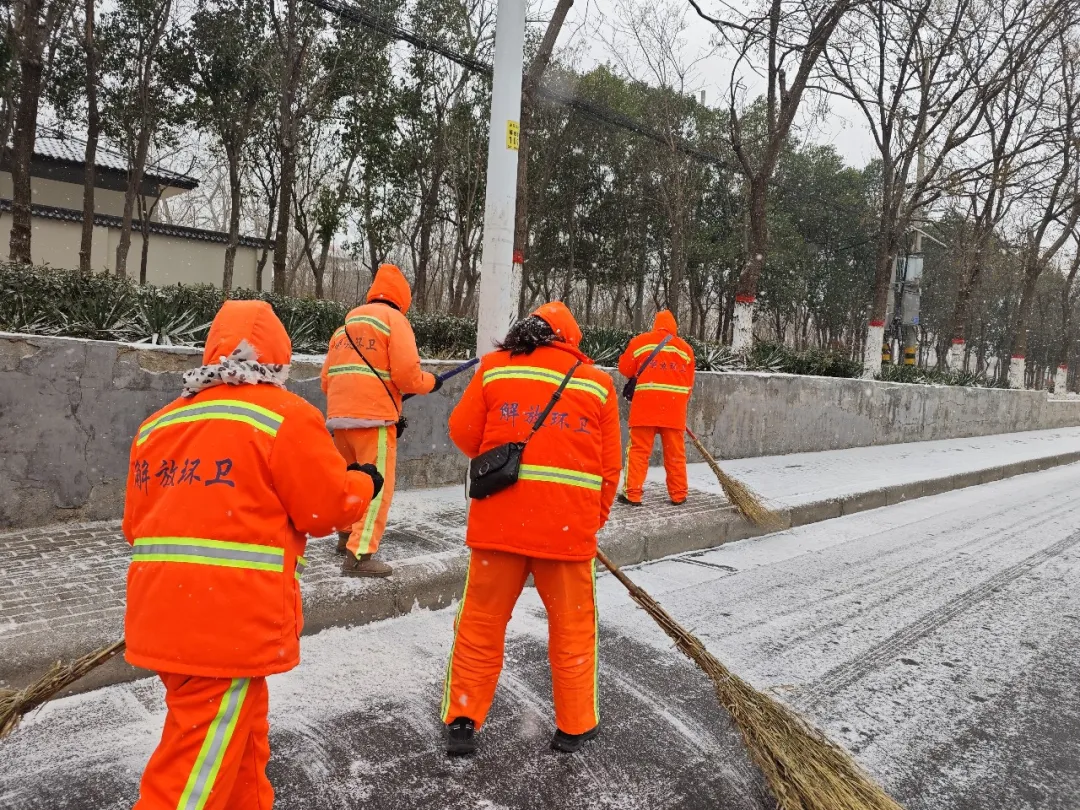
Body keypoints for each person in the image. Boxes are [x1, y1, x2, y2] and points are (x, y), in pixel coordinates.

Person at [123, 300, 382, 810]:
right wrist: (363, 482)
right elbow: (324, 507)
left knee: (240, 747)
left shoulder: (159, 424)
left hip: (164, 613)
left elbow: (136, 525)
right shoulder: (282, 416)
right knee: (190, 779)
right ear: (279, 359)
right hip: (228, 624)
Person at [441, 302, 622, 756]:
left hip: (497, 527)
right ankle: (574, 726)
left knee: (481, 623)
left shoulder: (494, 369)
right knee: (572, 630)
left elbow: (462, 433)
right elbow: (609, 470)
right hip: (566, 535)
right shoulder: (596, 384)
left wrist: (503, 443)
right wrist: (589, 523)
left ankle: (463, 719)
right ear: (568, 341)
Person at [320, 263, 440, 578]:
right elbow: (408, 376)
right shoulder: (394, 321)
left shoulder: (343, 326)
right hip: (373, 422)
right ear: (402, 299)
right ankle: (359, 554)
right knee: (377, 487)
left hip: (339, 421)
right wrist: (432, 382)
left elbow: (325, 379)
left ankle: (346, 535)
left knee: (350, 482)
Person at [616, 310, 696, 506]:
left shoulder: (640, 342)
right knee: (675, 454)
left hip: (645, 409)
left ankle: (632, 494)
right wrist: (676, 405)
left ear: (655, 324)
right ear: (674, 326)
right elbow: (689, 385)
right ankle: (678, 494)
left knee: (638, 452)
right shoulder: (685, 349)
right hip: (674, 411)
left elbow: (625, 369)